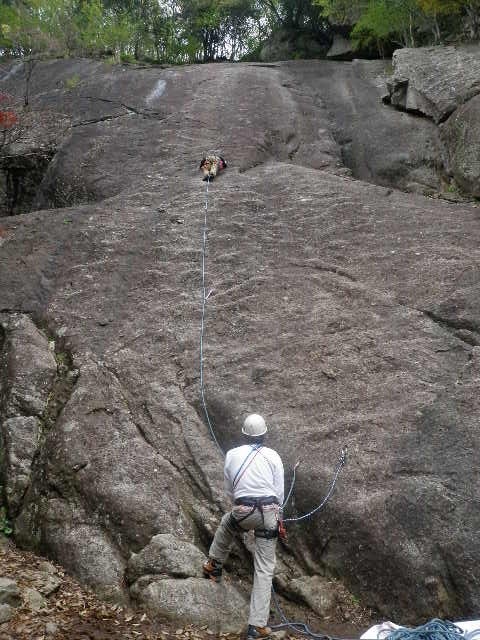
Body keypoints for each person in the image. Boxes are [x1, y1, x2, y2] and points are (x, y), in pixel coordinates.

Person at [203, 413, 284, 640]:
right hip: (269, 513)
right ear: (265, 434)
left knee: (228, 524)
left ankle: (213, 564)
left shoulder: (232, 454)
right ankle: (257, 626)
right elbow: (279, 493)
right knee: (265, 567)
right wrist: (279, 517)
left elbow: (230, 490)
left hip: (243, 511)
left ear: (243, 434)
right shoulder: (273, 456)